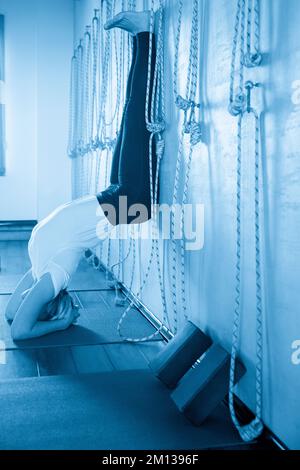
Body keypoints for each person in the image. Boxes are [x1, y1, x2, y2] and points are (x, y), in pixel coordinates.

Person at [5, 10, 158, 340]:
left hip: (122, 201)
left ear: (49, 304)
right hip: (108, 198)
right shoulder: (36, 266)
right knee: (131, 113)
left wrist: (63, 322)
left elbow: (18, 330)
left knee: (135, 116)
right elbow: (9, 313)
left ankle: (144, 33)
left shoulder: (53, 276)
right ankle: (140, 36)